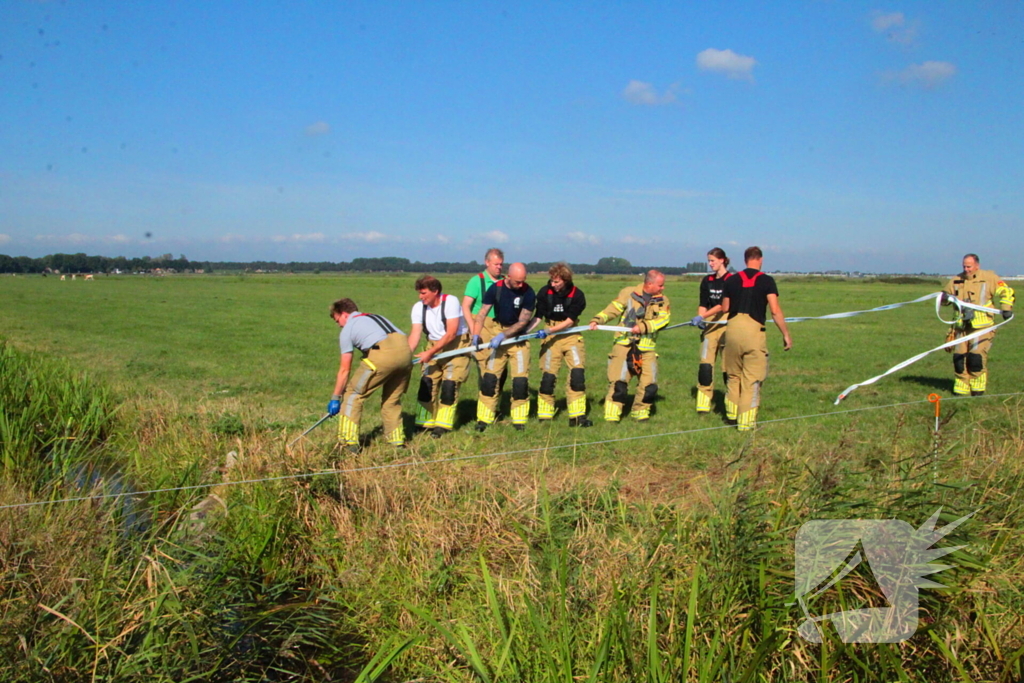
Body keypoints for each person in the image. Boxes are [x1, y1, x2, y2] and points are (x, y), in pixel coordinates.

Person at [720, 246, 792, 432]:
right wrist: (785, 334)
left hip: (733, 329)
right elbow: (775, 310)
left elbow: (725, 307)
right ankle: (745, 424)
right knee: (751, 378)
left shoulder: (732, 280)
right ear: (760, 260)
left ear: (745, 260)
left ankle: (730, 415)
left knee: (733, 375)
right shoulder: (767, 281)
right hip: (754, 331)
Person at [326, 298, 412, 451]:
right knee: (392, 400)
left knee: (352, 395)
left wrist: (335, 397)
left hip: (382, 355)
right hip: (406, 354)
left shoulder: (348, 328)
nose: (339, 325)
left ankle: (348, 443)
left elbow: (345, 369)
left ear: (344, 314)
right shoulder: (376, 317)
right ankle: (396, 442)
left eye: (337, 320)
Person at [588, 270, 671, 422]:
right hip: (624, 344)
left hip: (647, 348)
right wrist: (597, 320)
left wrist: (643, 327)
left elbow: (663, 319)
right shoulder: (628, 293)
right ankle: (611, 417)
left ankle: (640, 414)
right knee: (619, 383)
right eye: (660, 285)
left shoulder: (663, 300)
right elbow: (612, 309)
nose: (662, 288)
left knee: (650, 385)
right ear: (649, 284)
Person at [471, 262, 536, 431]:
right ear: (508, 277)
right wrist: (476, 335)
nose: (521, 285)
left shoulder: (528, 293)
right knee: (490, 379)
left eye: (523, 281)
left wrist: (505, 335)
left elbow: (523, 321)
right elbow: (482, 313)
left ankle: (519, 420)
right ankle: (484, 419)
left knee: (520, 381)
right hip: (497, 333)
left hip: (518, 339)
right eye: (517, 282)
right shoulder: (496, 289)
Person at [941, 253, 1014, 396]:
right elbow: (944, 298)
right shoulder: (956, 280)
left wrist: (1006, 309)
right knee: (959, 358)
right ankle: (961, 390)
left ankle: (977, 390)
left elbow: (1006, 291)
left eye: (969, 266)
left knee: (976, 358)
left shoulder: (989, 278)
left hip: (982, 327)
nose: (966, 269)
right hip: (961, 327)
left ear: (977, 265)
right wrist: (944, 298)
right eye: (964, 266)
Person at [408, 275, 471, 437]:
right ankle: (424, 423)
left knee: (450, 385)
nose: (420, 297)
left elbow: (451, 333)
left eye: (423, 293)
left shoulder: (450, 302)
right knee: (427, 383)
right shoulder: (418, 307)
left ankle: (442, 426)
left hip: (456, 346)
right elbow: (415, 334)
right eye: (419, 293)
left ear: (435, 291)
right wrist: (406, 355)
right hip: (433, 344)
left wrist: (430, 353)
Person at [534, 262, 591, 427]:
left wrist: (551, 331)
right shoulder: (545, 292)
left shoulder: (577, 295)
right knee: (548, 377)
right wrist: (523, 330)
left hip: (570, 334)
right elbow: (538, 316)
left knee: (577, 376)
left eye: (557, 282)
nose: (553, 284)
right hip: (550, 337)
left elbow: (569, 321)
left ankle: (577, 416)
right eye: (552, 281)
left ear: (565, 280)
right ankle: (545, 416)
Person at [693, 248, 733, 415]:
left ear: (722, 260)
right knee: (706, 365)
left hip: (726, 325)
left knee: (728, 367)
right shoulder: (707, 280)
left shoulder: (732, 280)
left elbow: (723, 305)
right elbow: (704, 302)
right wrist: (700, 316)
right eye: (709, 261)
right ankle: (703, 403)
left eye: (713, 260)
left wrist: (703, 316)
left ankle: (731, 402)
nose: (710, 264)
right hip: (710, 326)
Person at [462, 248, 505, 368]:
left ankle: (498, 387)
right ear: (487, 262)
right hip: (482, 325)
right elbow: (465, 306)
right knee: (485, 363)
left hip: (500, 325)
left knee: (501, 362)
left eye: (501, 264)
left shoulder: (505, 281)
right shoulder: (476, 281)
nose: (499, 267)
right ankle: (486, 387)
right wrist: (473, 329)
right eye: (496, 264)